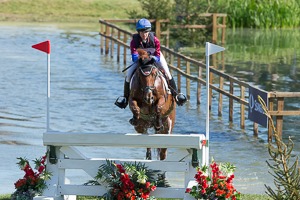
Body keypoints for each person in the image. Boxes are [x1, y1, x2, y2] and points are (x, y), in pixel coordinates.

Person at [115, 18, 187, 109]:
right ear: (138, 32)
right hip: (140, 59)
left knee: (167, 73)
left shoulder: (155, 40)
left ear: (149, 31)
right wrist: (143, 57)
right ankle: (125, 98)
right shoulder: (134, 41)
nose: (144, 35)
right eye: (142, 32)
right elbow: (134, 57)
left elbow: (157, 55)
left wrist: (153, 58)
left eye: (146, 32)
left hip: (155, 58)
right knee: (128, 76)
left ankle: (176, 95)